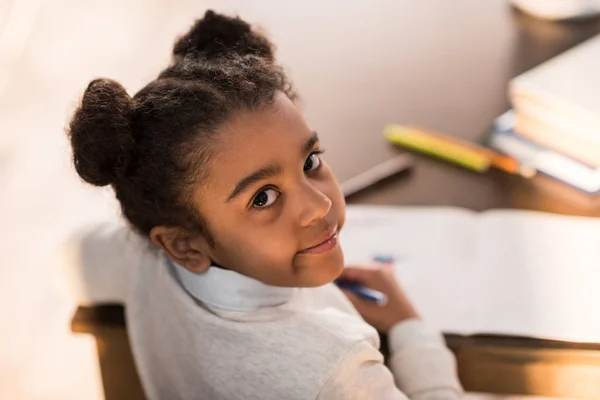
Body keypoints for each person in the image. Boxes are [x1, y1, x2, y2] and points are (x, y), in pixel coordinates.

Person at [63, 10, 463, 399]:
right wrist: (412, 329)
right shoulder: (335, 370)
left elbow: (74, 256)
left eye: (310, 162)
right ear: (184, 246)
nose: (320, 204)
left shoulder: (143, 258)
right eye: (263, 197)